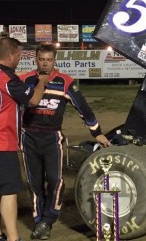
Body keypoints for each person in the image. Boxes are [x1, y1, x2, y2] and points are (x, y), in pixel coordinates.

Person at [20, 43, 112, 240]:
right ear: (35, 60)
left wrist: (97, 133)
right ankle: (40, 222)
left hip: (52, 138)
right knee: (34, 183)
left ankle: (48, 218)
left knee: (55, 180)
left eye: (49, 60)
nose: (45, 64)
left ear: (55, 61)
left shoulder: (65, 82)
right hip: (28, 137)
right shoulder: (25, 79)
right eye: (41, 60)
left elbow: (83, 108)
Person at [0, 37, 49, 241]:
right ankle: (13, 238)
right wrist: (42, 81)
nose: (19, 58)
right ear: (9, 56)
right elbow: (33, 99)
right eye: (18, 55)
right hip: (0, 140)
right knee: (9, 191)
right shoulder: (6, 77)